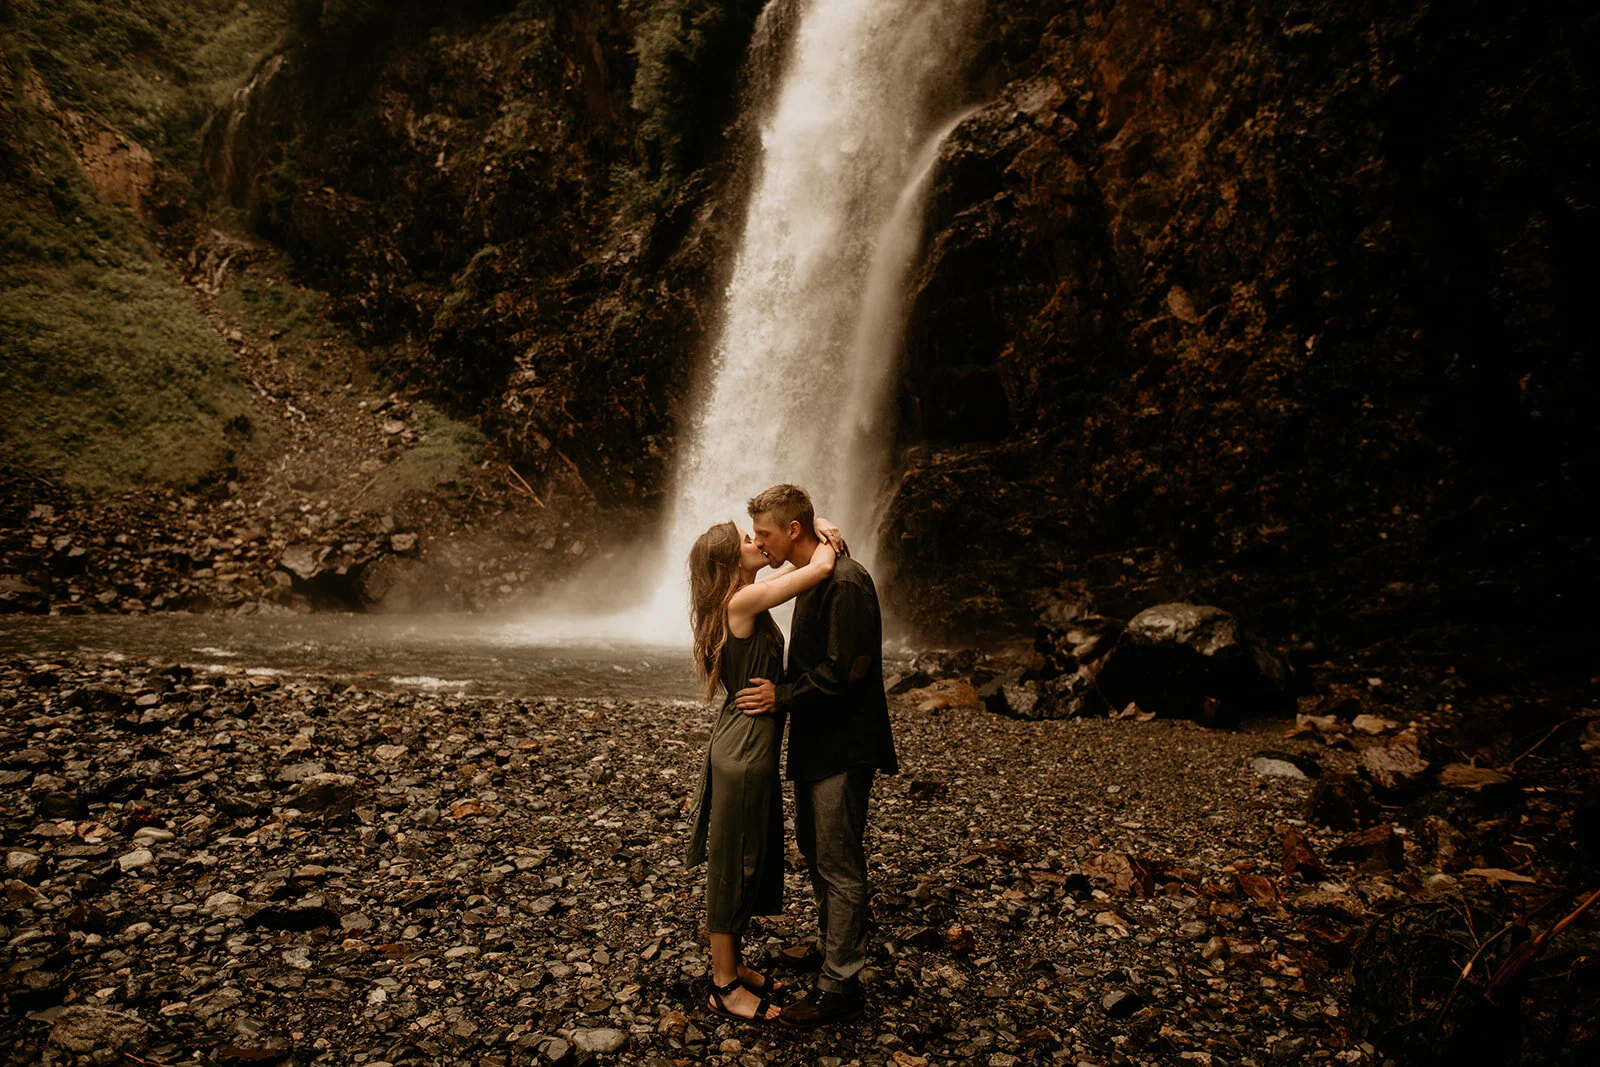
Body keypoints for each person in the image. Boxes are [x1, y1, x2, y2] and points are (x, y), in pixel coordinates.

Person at [735, 484, 898, 1028]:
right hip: (817, 740)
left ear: (793, 531)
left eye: (764, 533)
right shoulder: (813, 572)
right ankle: (834, 950)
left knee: (837, 858)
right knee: (816, 848)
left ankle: (840, 986)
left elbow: (846, 672)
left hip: (843, 745)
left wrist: (779, 696)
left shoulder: (845, 583)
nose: (759, 542)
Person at [684, 517, 844, 1024]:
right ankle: (724, 986)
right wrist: (825, 539)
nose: (756, 542)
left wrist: (817, 523)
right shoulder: (743, 601)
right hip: (744, 750)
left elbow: (794, 565)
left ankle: (732, 965)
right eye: (746, 540)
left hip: (746, 743)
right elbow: (817, 571)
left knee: (744, 856)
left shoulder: (746, 596)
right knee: (733, 864)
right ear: (730, 561)